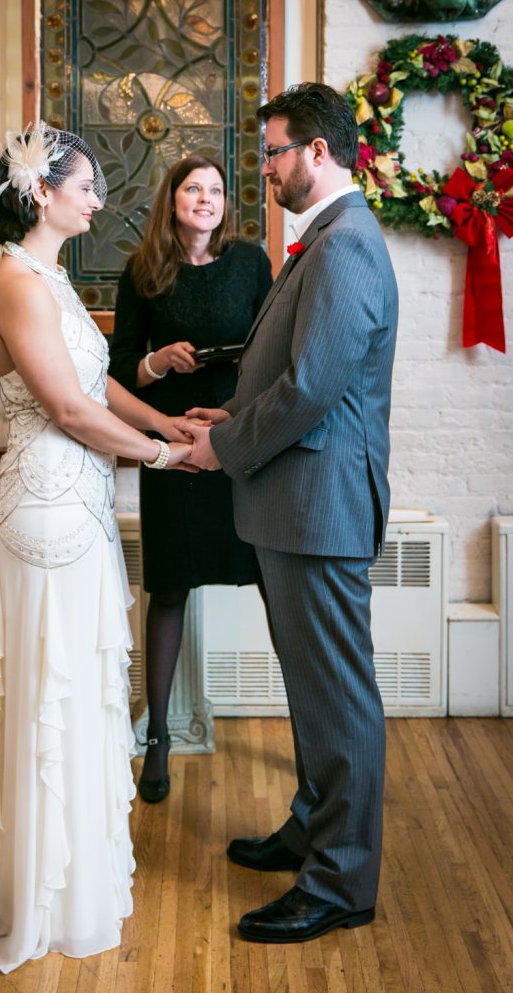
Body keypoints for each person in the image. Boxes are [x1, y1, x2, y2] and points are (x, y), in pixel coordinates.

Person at [0, 124, 195, 973]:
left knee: (79, 681)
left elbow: (93, 381)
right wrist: (166, 456)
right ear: (43, 193)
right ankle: (37, 887)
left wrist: (158, 417)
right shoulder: (15, 284)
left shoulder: (51, 279)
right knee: (49, 687)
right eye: (87, 188)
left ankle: (72, 873)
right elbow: (66, 413)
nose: (99, 200)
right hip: (43, 506)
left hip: (80, 504)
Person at [185, 83, 398, 942]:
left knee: (339, 699)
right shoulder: (326, 242)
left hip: (320, 509)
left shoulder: (345, 246)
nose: (264, 168)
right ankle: (315, 826)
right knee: (314, 693)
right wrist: (234, 417)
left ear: (317, 152)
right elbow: (300, 373)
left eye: (273, 151)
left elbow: (313, 389)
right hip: (296, 506)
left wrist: (223, 449)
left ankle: (342, 882)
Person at [109, 155, 273, 803]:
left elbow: (270, 353)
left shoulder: (251, 263)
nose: (205, 199)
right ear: (171, 200)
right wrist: (157, 361)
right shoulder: (142, 270)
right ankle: (158, 741)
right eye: (192, 189)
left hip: (235, 442)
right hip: (172, 444)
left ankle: (310, 732)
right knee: (170, 587)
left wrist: (232, 422)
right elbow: (118, 370)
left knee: (271, 581)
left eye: (216, 190)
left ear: (225, 203)